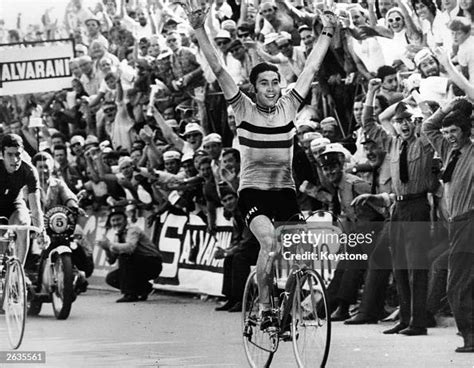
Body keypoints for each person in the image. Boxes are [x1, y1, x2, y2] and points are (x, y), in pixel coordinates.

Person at [184, 0, 337, 330]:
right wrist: (199, 28)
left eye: (275, 82)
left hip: (284, 193)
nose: (271, 88)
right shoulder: (242, 107)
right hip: (253, 194)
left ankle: (286, 307)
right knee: (269, 242)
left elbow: (309, 69)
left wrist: (327, 30)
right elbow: (221, 69)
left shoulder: (289, 107)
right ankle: (264, 306)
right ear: (255, 87)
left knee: (302, 257)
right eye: (264, 83)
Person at [422, 97, 474, 353]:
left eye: (454, 131)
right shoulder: (447, 150)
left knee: (456, 285)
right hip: (456, 226)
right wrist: (450, 105)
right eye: (447, 132)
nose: (450, 136)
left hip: (470, 223)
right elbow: (427, 128)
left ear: (466, 130)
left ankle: (470, 337)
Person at [99, 207, 163, 303]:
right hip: (138, 265)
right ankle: (144, 289)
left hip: (152, 263)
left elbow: (130, 248)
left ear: (125, 220)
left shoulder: (133, 230)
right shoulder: (117, 236)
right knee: (111, 278)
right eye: (113, 220)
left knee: (125, 256)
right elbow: (111, 260)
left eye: (118, 219)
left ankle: (129, 294)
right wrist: (106, 249)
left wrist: (109, 245)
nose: (116, 223)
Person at [0, 134, 44, 264]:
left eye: (18, 154)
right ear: (2, 154)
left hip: (15, 204)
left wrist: (41, 231)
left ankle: (19, 272)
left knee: (24, 224)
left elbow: (35, 208)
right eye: (10, 154)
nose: (15, 159)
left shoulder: (29, 171)